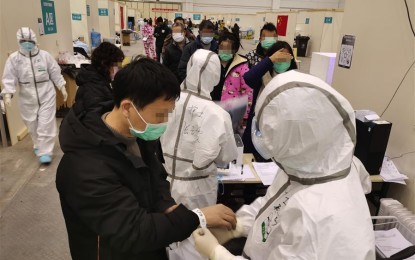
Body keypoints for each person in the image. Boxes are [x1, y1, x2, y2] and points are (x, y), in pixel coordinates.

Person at [56, 57, 237, 260]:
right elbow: (134, 232)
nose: (165, 122)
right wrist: (197, 217)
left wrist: (167, 206)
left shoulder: (137, 133)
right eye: (160, 114)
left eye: (168, 114)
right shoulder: (84, 167)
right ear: (127, 107)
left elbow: (156, 178)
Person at [192, 70, 376, 260]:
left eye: (266, 130)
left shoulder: (320, 216)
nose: (258, 133)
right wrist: (240, 225)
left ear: (295, 137)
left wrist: (218, 254)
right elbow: (275, 204)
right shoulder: (308, 166)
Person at [161, 49, 238, 260]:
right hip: (199, 188)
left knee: (170, 235)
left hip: (167, 182)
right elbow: (225, 158)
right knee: (199, 240)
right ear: (215, 75)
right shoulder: (217, 113)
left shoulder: (167, 102)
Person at [1, 27, 67, 164]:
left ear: (35, 40)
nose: (27, 43)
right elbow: (9, 77)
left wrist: (62, 86)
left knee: (46, 123)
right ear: (19, 41)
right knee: (32, 124)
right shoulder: (14, 59)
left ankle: (46, 152)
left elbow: (55, 72)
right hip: (26, 94)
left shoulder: (44, 56)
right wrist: (7, 94)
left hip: (46, 92)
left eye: (29, 40)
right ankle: (38, 144)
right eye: (23, 41)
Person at [243, 41, 296, 161]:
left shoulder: (294, 78)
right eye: (279, 57)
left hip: (282, 135)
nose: (282, 61)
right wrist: (270, 59)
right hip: (257, 133)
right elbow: (248, 78)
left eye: (285, 57)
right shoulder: (263, 76)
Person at [210, 30, 252, 123]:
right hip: (212, 107)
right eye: (221, 48)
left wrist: (245, 115)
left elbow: (248, 91)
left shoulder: (242, 67)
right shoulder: (212, 63)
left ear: (234, 50)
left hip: (232, 112)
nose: (224, 51)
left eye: (227, 49)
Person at [74, 42, 124, 113]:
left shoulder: (97, 79)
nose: (118, 68)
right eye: (115, 65)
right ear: (104, 63)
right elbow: (96, 118)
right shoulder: (94, 88)